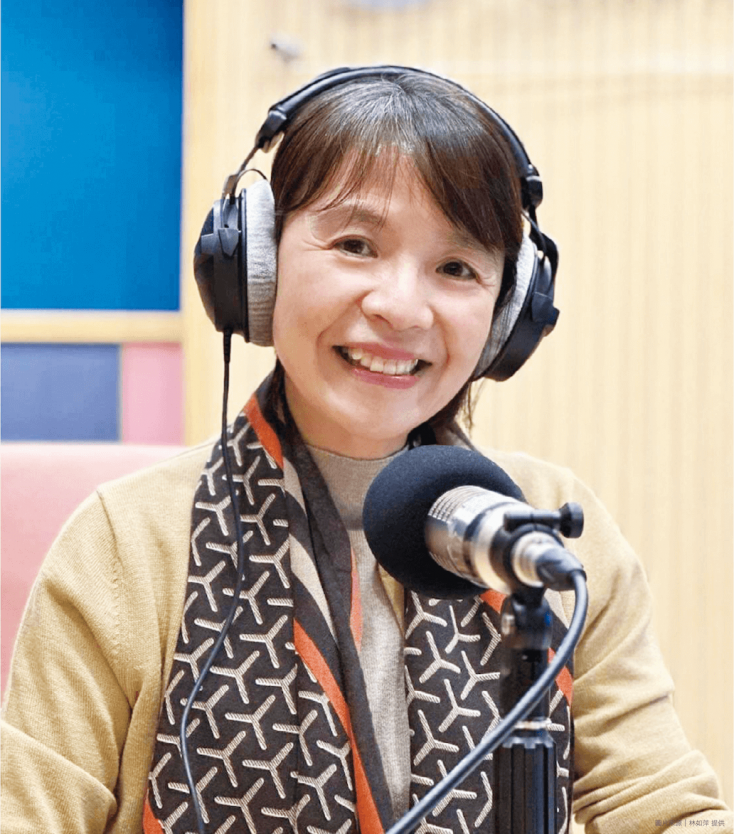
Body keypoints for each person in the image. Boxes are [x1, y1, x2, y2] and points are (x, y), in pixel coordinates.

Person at [2, 67, 731, 834]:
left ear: (507, 313)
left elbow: (661, 807)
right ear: (258, 264)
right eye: (356, 245)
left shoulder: (542, 535)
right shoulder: (126, 543)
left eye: (456, 268)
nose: (401, 307)